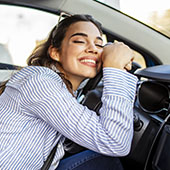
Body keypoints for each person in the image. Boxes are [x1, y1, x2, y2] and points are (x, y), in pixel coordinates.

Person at [0, 13, 138, 170]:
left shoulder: (67, 88)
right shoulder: (40, 81)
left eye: (99, 45)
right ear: (55, 53)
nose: (93, 49)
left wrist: (115, 62)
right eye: (79, 41)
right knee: (107, 161)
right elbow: (115, 142)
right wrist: (114, 68)